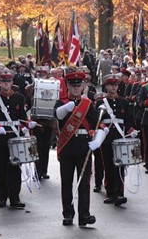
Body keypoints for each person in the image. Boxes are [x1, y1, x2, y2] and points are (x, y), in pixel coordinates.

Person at [54, 71, 105, 227]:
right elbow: (57, 115)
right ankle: (68, 214)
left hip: (84, 146)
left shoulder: (88, 104)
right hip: (67, 145)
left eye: (79, 85)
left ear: (83, 86)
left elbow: (99, 125)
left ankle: (84, 215)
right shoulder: (61, 102)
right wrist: (66, 108)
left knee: (84, 182)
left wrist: (98, 141)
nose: (76, 88)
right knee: (67, 182)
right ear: (67, 86)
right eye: (72, 85)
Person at [0, 70, 34, 208]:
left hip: (15, 137)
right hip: (1, 138)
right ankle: (2, 197)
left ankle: (15, 197)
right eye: (3, 82)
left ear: (12, 83)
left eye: (8, 81)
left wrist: (28, 123)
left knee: (15, 168)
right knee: (1, 168)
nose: (6, 84)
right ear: (0, 83)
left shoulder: (18, 97)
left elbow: (22, 116)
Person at [97, 73, 135, 206]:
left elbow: (128, 120)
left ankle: (119, 193)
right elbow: (97, 120)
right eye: (111, 85)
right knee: (108, 164)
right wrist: (102, 127)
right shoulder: (100, 102)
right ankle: (110, 193)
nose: (113, 87)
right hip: (106, 137)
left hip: (120, 137)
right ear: (106, 86)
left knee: (120, 165)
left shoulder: (124, 102)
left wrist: (131, 130)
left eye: (116, 85)